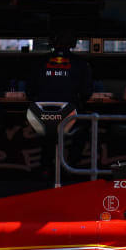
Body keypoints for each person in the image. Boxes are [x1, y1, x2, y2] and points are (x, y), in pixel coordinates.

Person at [27, 30, 93, 175]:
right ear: (73, 43)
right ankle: (71, 166)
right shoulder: (82, 64)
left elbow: (29, 92)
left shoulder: (38, 62)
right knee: (86, 124)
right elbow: (86, 94)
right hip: (70, 118)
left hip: (41, 117)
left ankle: (46, 167)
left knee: (49, 131)